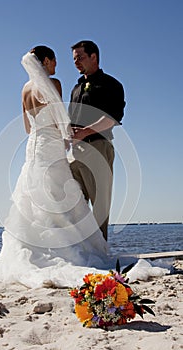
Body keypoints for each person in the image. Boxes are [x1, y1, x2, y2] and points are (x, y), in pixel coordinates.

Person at [0, 45, 168, 289]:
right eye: (62, 59)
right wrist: (63, 134)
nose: (70, 63)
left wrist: (67, 133)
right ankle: (82, 253)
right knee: (69, 201)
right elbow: (61, 119)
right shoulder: (61, 85)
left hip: (45, 148)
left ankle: (57, 249)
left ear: (94, 56)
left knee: (58, 201)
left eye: (79, 57)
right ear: (47, 61)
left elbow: (28, 128)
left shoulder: (26, 89)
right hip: (61, 150)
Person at [69, 40, 126, 241]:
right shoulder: (75, 88)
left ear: (94, 56)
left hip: (99, 148)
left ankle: (100, 253)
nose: (76, 63)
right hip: (74, 153)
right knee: (73, 203)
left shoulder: (111, 84)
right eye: (74, 59)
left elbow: (113, 117)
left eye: (80, 58)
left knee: (100, 205)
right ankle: (78, 251)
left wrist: (85, 132)